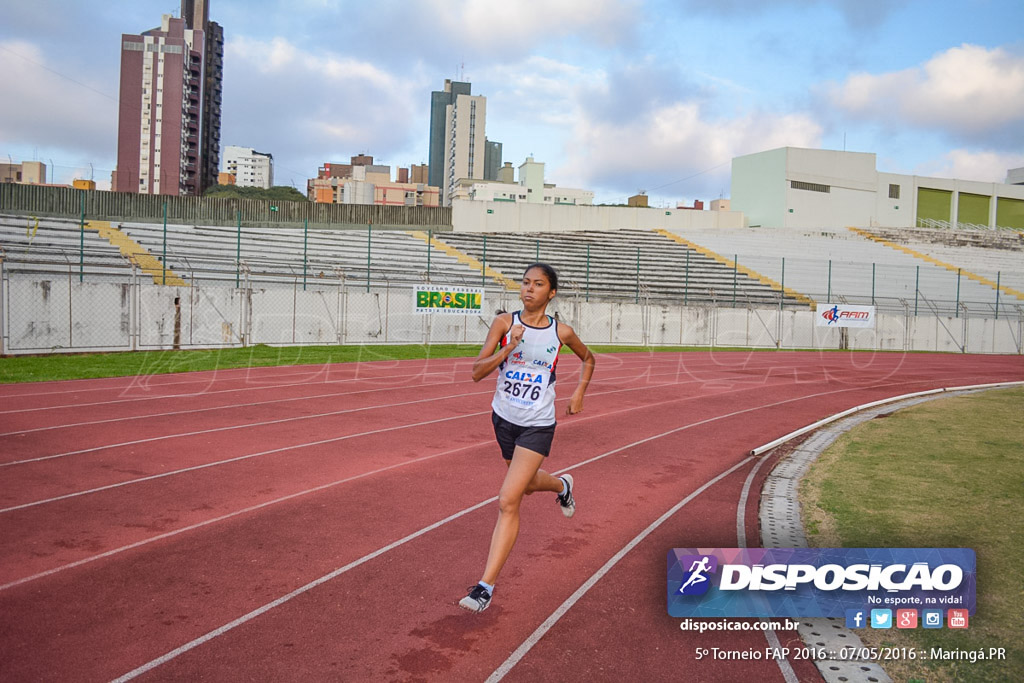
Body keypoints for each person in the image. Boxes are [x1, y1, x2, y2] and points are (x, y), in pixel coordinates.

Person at [459, 263, 596, 613]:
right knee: (528, 485)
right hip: (504, 420)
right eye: (525, 283)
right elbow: (477, 371)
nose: (528, 289)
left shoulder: (561, 332)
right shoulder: (505, 324)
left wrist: (578, 393)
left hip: (538, 424)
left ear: (551, 293)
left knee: (508, 499)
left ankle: (484, 587)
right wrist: (508, 349)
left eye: (538, 285)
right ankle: (563, 486)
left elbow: (589, 359)